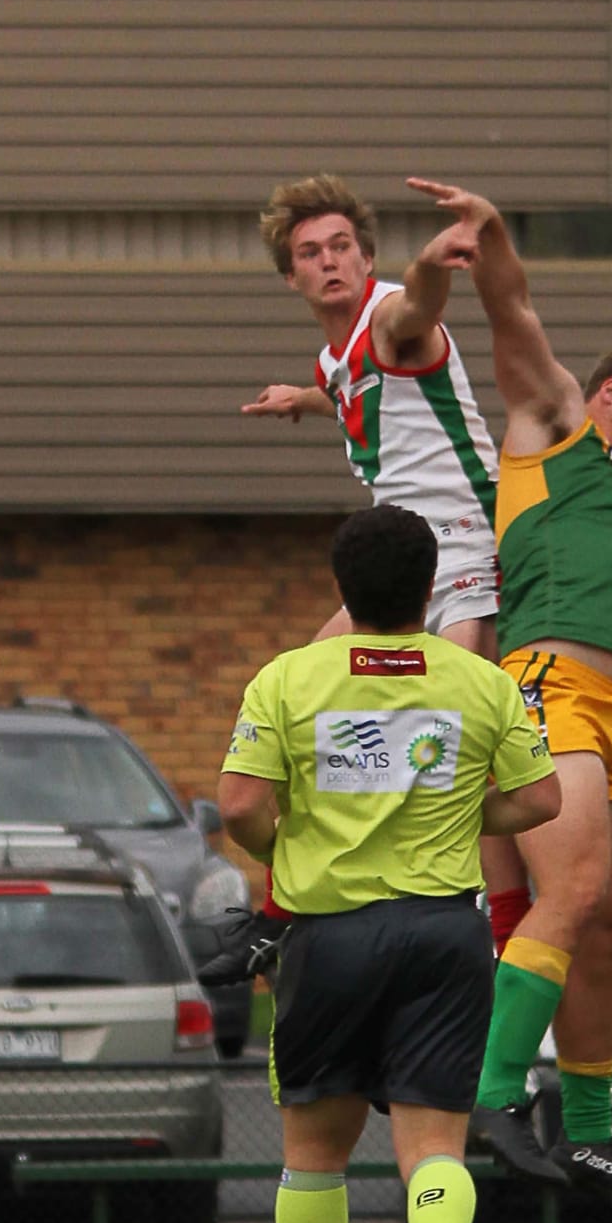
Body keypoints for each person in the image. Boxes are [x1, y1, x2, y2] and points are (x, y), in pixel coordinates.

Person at [217, 504, 563, 1223]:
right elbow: (541, 798)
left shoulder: (288, 678)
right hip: (446, 934)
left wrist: (283, 841)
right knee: (435, 1143)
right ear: (429, 588)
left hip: (328, 935)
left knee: (314, 1152)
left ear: (341, 587)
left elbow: (240, 803)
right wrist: (459, 817)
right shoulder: (480, 680)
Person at [407, 177, 612, 1210]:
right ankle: (487, 1091)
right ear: (608, 392)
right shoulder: (557, 425)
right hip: (542, 691)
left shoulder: (611, 490)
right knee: (567, 895)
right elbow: (512, 315)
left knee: (605, 923)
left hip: (603, 712)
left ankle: (586, 1133)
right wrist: (488, 235)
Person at [212, 173, 534, 989]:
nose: (329, 263)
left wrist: (435, 261)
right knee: (303, 690)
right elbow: (358, 392)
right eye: (310, 253)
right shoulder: (337, 354)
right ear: (291, 276)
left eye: (341, 247)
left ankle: (500, 926)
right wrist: (307, 399)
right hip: (396, 564)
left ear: (366, 256)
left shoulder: (391, 313)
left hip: (462, 549)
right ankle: (281, 912)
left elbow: (416, 312)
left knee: (456, 734)